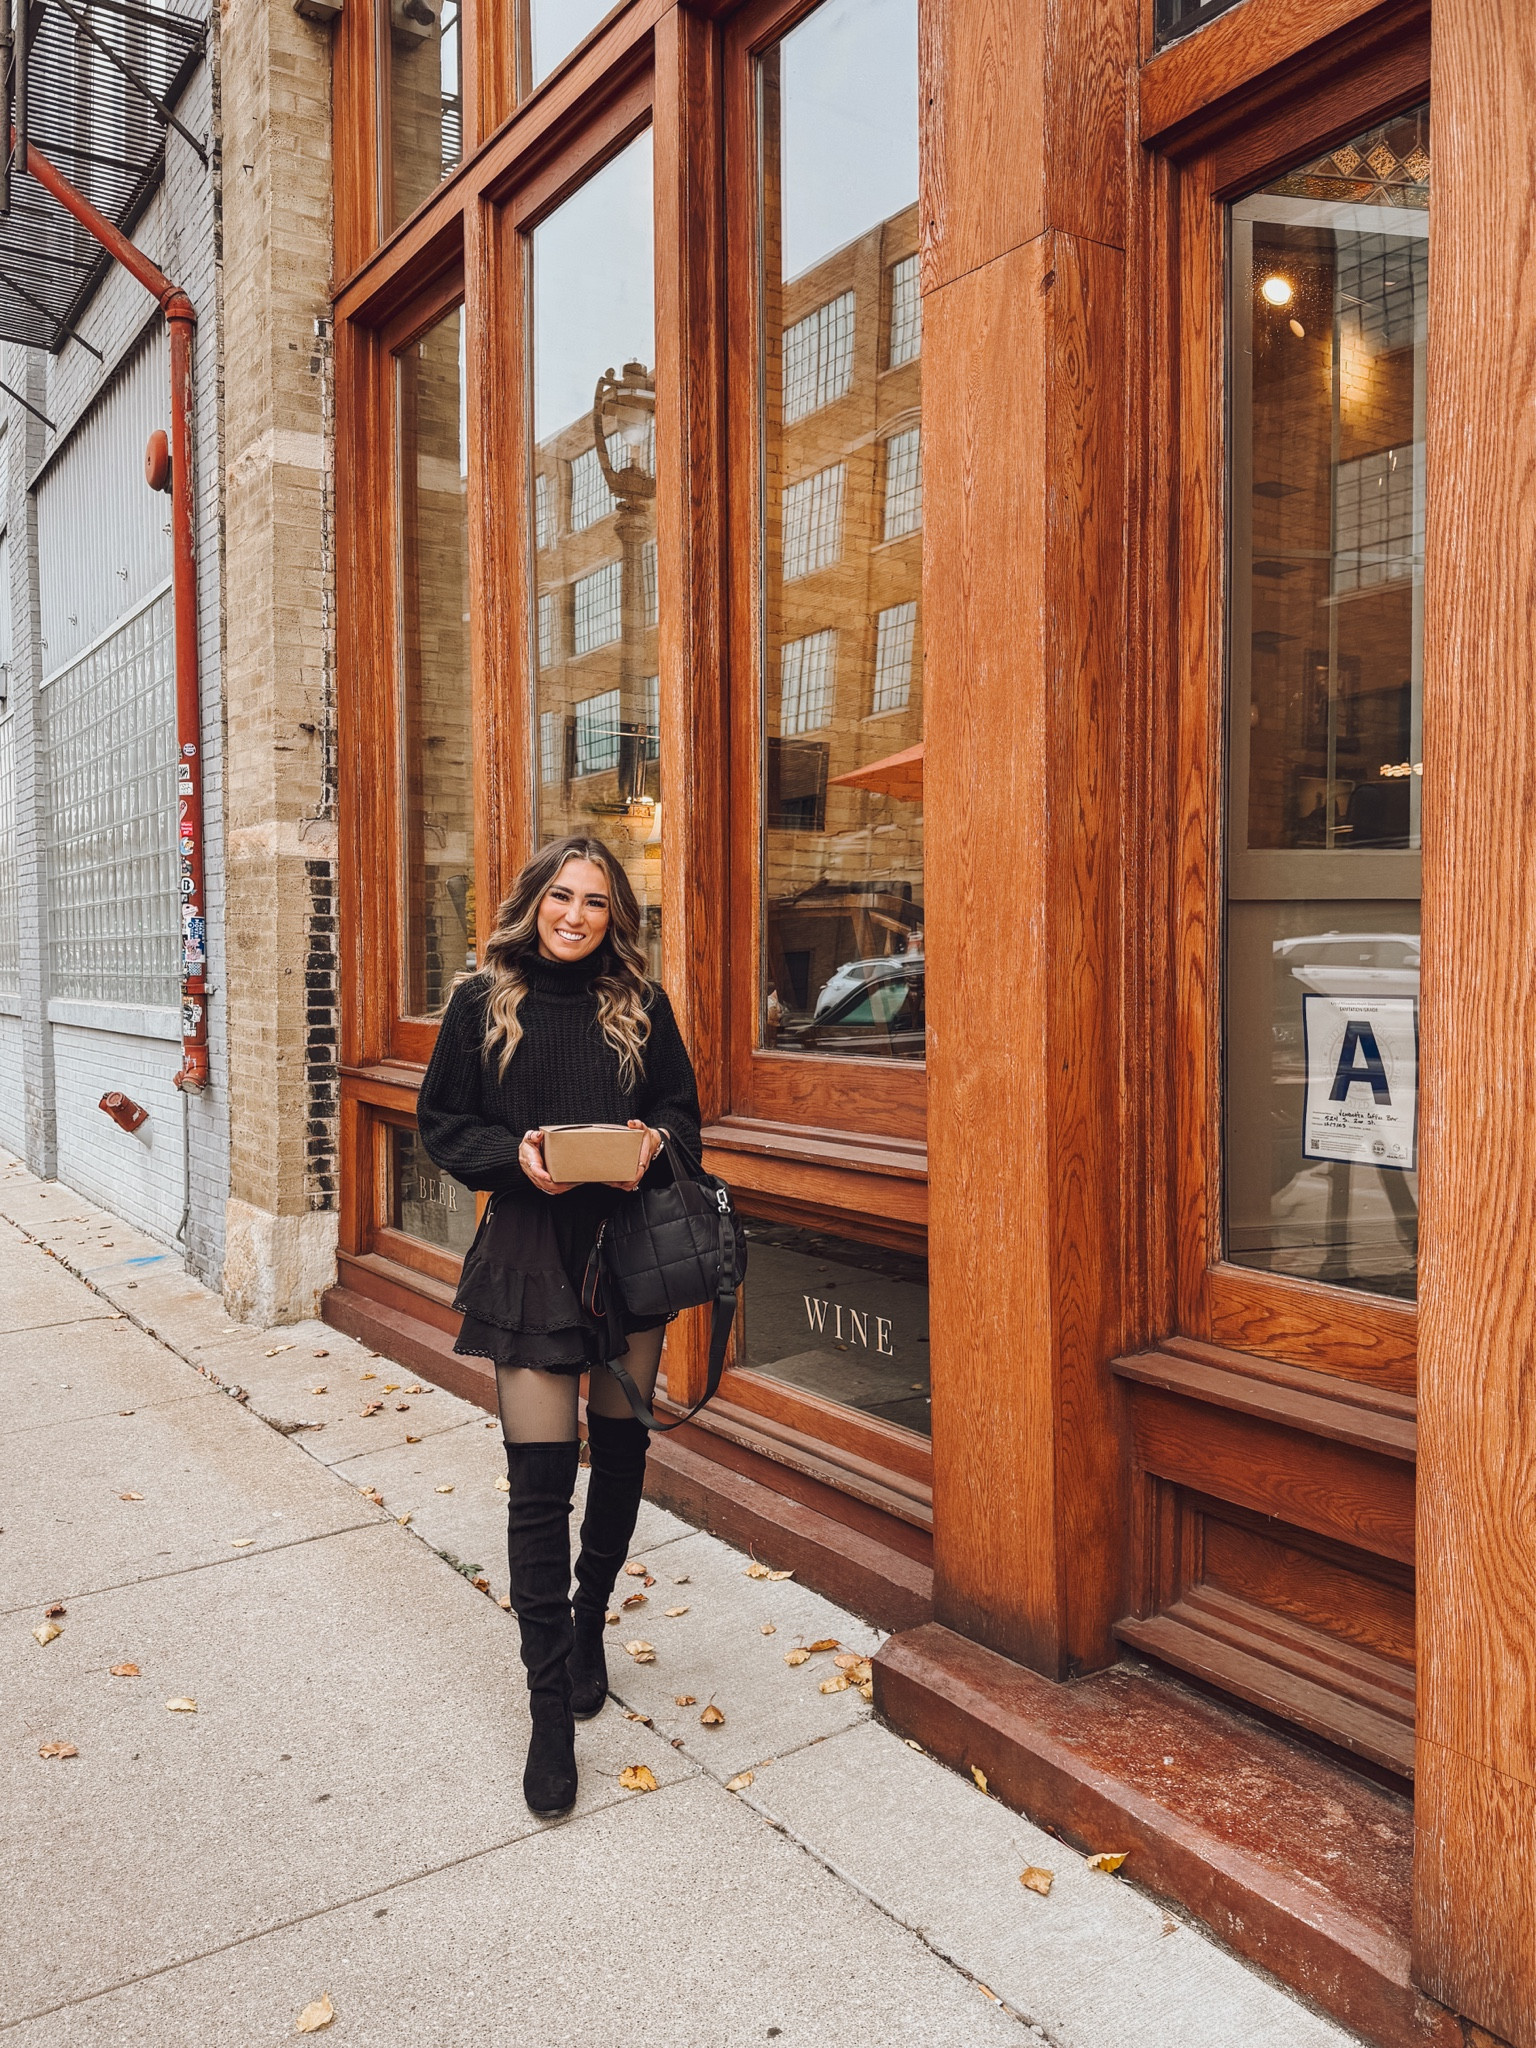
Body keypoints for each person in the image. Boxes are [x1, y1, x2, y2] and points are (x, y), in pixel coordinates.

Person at [416, 835, 702, 1818]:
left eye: (596, 900)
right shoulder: (480, 1002)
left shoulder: (641, 1004)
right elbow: (443, 1122)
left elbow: (682, 1113)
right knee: (540, 1485)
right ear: (534, 901)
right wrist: (519, 1157)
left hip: (627, 1252)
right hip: (530, 1253)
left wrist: (654, 1141)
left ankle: (588, 1627)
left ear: (614, 915)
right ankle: (549, 1711)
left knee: (620, 1453)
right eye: (562, 896)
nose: (576, 915)